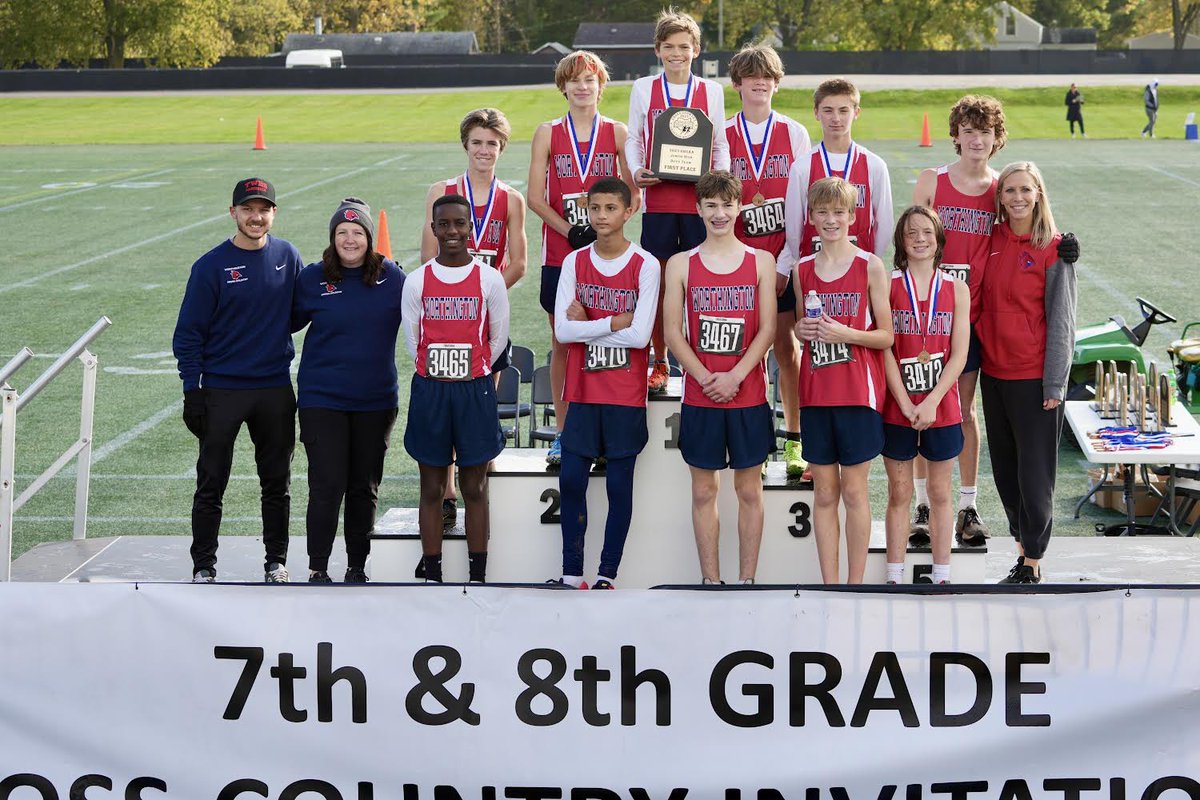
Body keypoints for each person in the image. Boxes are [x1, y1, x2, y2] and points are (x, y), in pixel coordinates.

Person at [173, 177, 303, 583]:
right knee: (211, 482)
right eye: (247, 209)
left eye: (263, 209)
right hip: (222, 390)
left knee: (276, 483)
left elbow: (299, 311)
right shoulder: (210, 265)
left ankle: (276, 561)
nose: (256, 216)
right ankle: (203, 565)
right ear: (233, 213)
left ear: (274, 214)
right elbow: (188, 334)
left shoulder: (288, 255)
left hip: (274, 388)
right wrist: (191, 390)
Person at [662, 171, 777, 585]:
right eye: (710, 205)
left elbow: (767, 330)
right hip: (700, 395)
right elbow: (673, 332)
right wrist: (709, 377)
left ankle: (747, 581)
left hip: (747, 395)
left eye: (727, 204)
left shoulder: (760, 262)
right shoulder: (680, 264)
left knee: (749, 490)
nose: (719, 213)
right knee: (703, 491)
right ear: (698, 209)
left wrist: (735, 376)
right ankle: (711, 581)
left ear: (740, 207)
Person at [528, 50, 638, 465]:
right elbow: (536, 197)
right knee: (562, 342)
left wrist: (606, 230)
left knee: (607, 340)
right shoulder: (548, 132)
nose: (582, 86)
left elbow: (635, 194)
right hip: (560, 251)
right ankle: (563, 431)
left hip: (607, 256)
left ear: (600, 86)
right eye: (574, 80)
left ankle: (603, 433)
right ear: (564, 87)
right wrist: (572, 231)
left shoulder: (618, 132)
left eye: (589, 79)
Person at [421, 108, 527, 527]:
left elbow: (518, 263)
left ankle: (478, 481)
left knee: (480, 402)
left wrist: (486, 293)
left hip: (489, 316)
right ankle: (447, 491)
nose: (484, 150)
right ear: (465, 144)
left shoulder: (511, 199)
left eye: (493, 144)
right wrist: (462, 292)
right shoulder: (440, 191)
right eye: (478, 142)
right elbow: (429, 257)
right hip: (447, 316)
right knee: (446, 401)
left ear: (502, 148)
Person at [551, 178, 659, 590]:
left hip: (624, 395)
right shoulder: (575, 262)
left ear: (629, 211)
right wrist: (613, 321)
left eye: (610, 208)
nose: (601, 216)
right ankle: (571, 573)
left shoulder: (645, 264)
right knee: (572, 481)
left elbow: (641, 336)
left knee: (618, 485)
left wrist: (587, 325)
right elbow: (562, 331)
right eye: (594, 208)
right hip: (582, 391)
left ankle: (607, 575)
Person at [292, 198, 405, 584]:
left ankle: (358, 565)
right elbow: (279, 322)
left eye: (358, 232)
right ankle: (317, 566)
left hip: (375, 400)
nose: (350, 239)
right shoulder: (312, 278)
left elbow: (426, 316)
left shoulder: (393, 278)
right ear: (332, 238)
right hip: (323, 399)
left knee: (364, 487)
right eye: (342, 232)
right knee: (326, 485)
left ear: (370, 238)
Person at [910, 95, 1005, 549]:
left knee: (964, 410)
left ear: (996, 139)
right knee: (922, 405)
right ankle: (923, 505)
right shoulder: (933, 180)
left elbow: (1031, 232)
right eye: (968, 130)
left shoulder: (1002, 187)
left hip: (977, 316)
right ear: (956, 135)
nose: (976, 139)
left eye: (984, 132)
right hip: (927, 314)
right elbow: (909, 241)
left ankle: (967, 504)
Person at [977, 163, 1077, 585]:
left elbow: (1063, 322)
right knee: (1004, 471)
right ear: (999, 197)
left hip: (1034, 379)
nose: (1017, 197)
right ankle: (1021, 551)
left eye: (1025, 190)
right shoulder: (993, 239)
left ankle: (1033, 561)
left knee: (1034, 476)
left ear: (1038, 194)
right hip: (993, 374)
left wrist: (1055, 381)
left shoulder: (1055, 249)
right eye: (1009, 190)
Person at [403, 194, 509, 584]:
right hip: (431, 392)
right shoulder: (417, 281)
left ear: (470, 228)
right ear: (434, 229)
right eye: (444, 224)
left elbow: (498, 339)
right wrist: (441, 370)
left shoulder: (489, 278)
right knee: (431, 486)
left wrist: (472, 371)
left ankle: (477, 575)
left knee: (474, 484)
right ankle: (432, 573)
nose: (452, 231)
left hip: (474, 391)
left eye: (459, 224)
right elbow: (413, 341)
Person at [794, 176, 893, 585]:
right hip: (816, 394)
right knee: (823, 493)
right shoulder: (802, 270)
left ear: (854, 217)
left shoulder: (870, 265)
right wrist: (802, 330)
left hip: (857, 393)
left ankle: (855, 585)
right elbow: (802, 330)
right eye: (822, 213)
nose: (830, 220)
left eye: (839, 212)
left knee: (854, 491)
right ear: (811, 218)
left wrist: (845, 334)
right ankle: (829, 584)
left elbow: (886, 335)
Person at [626, 7, 730, 394]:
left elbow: (719, 143)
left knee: (704, 283)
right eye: (669, 46)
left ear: (696, 50)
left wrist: (718, 184)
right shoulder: (644, 88)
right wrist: (637, 172)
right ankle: (660, 361)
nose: (676, 54)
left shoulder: (711, 91)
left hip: (698, 206)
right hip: (659, 204)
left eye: (684, 47)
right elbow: (634, 138)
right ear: (658, 50)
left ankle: (705, 357)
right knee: (661, 286)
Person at [723, 43, 811, 478]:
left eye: (769, 76)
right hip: (739, 264)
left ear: (777, 83)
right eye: (752, 75)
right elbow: (716, 202)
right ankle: (754, 441)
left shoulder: (794, 132)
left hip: (782, 262)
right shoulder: (722, 133)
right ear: (737, 83)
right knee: (747, 351)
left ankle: (795, 440)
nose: (761, 81)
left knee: (786, 349)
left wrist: (785, 263)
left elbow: (800, 207)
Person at [881, 206, 969, 585]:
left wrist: (932, 400)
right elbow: (884, 348)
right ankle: (895, 576)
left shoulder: (955, 288)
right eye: (911, 233)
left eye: (927, 232)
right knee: (899, 492)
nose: (920, 239)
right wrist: (904, 402)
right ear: (901, 241)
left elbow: (960, 353)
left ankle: (942, 575)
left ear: (938, 239)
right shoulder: (886, 284)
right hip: (897, 403)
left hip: (941, 403)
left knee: (939, 491)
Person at [780, 77, 894, 272]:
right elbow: (793, 226)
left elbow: (884, 223)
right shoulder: (802, 166)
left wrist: (869, 261)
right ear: (816, 112)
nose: (836, 118)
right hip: (815, 267)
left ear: (856, 113)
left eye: (843, 110)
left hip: (860, 268)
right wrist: (804, 264)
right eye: (828, 110)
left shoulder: (874, 165)